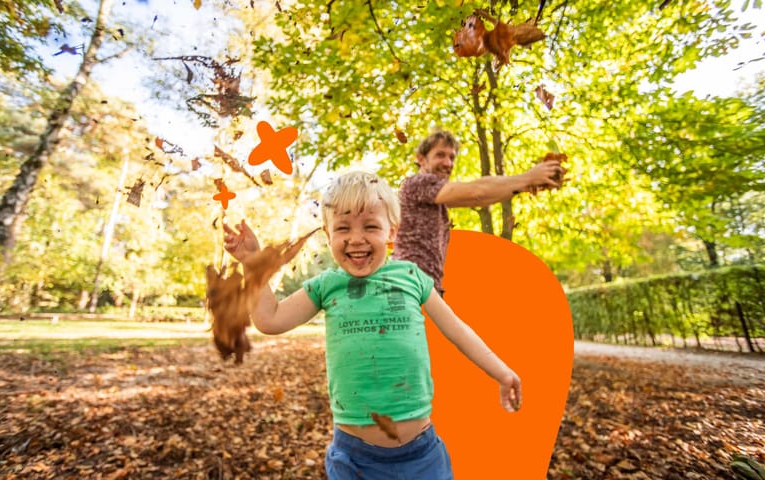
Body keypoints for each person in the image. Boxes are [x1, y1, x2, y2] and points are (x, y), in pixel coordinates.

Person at [223, 171, 522, 480]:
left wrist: (501, 371)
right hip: (355, 459)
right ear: (328, 235)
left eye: (370, 226)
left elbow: (457, 330)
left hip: (421, 456)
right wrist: (252, 263)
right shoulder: (328, 285)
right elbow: (270, 320)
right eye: (343, 228)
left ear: (391, 232)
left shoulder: (411, 277)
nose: (356, 238)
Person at [392, 129, 566, 295]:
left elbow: (480, 198)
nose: (448, 163)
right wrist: (528, 177)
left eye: (452, 157)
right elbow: (476, 191)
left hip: (424, 287)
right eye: (440, 155)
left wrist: (524, 186)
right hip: (408, 286)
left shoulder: (435, 199)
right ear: (421, 159)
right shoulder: (418, 183)